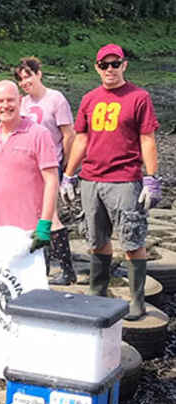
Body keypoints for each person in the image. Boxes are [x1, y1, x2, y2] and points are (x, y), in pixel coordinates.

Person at [60, 43, 160, 320]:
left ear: (124, 65)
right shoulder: (90, 99)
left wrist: (151, 178)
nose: (110, 70)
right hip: (91, 179)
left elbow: (147, 139)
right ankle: (98, 290)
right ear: (97, 68)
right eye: (104, 65)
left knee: (131, 240)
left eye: (115, 64)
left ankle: (137, 300)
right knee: (96, 239)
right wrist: (68, 174)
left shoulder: (139, 97)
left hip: (125, 178)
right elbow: (81, 138)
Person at [0, 80, 59, 252]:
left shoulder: (39, 134)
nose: (5, 105)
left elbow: (52, 180)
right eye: (0, 101)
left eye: (10, 100)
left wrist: (45, 224)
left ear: (20, 100)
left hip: (29, 231)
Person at [15, 56, 77, 285]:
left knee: (51, 216)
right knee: (36, 215)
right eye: (21, 79)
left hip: (50, 164)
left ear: (38, 73)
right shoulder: (23, 103)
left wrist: (67, 168)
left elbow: (69, 135)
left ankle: (67, 269)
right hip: (28, 166)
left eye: (28, 76)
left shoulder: (55, 99)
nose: (25, 82)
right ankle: (44, 266)